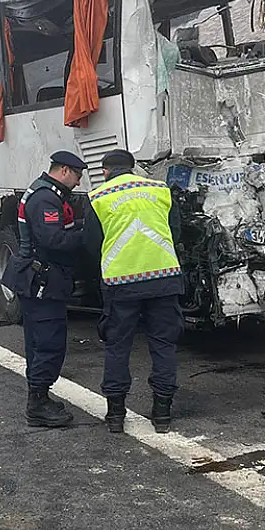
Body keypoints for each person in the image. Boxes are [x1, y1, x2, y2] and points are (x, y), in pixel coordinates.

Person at [84, 149, 184, 434]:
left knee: (117, 347)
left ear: (105, 171)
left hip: (120, 283)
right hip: (164, 278)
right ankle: (162, 413)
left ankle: (116, 414)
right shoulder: (160, 190)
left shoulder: (99, 197)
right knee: (164, 345)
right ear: (134, 168)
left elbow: (91, 242)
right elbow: (175, 232)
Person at [1, 151, 89, 428]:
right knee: (48, 343)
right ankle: (37, 403)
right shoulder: (46, 199)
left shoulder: (47, 193)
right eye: (77, 175)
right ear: (64, 170)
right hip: (42, 281)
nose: (78, 182)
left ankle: (39, 398)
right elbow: (52, 239)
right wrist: (87, 234)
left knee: (40, 342)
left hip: (40, 279)